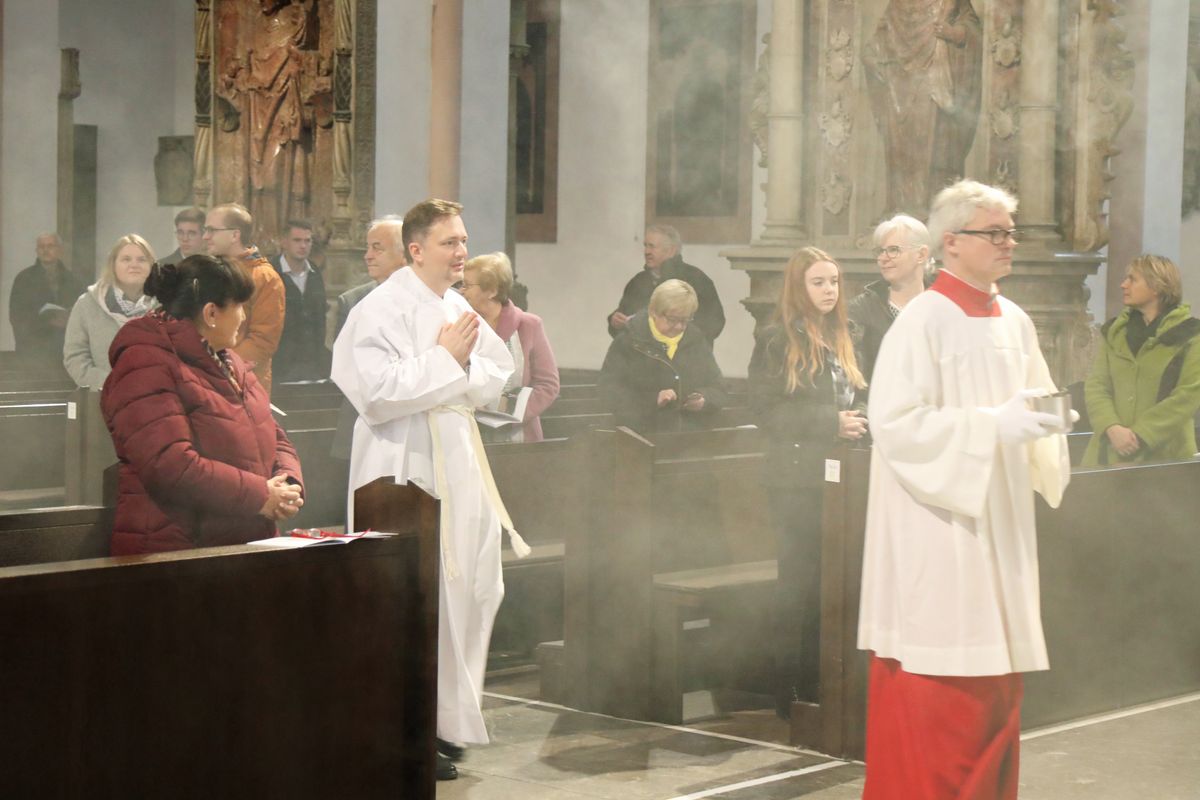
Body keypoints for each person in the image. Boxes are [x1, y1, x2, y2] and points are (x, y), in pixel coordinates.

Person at [857, 180, 1071, 799]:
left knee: (997, 676)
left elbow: (1034, 398)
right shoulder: (921, 321)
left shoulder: (1016, 319)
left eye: (1011, 232)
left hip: (998, 518)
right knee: (945, 684)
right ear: (952, 243)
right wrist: (991, 427)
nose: (1009, 243)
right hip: (938, 522)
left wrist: (1048, 424)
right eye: (995, 232)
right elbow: (895, 425)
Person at [331, 199, 522, 782]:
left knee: (474, 584)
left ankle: (448, 721)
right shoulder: (376, 309)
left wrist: (455, 370)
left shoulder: (458, 303)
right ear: (415, 250)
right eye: (449, 242)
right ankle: (406, 726)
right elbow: (374, 392)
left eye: (464, 240)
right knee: (418, 592)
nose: (462, 251)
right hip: (402, 465)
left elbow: (500, 371)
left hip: (459, 458)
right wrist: (445, 363)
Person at [101, 255, 304, 556]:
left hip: (239, 543)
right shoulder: (145, 361)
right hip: (176, 551)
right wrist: (261, 494)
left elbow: (272, 432)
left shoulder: (228, 359)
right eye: (239, 307)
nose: (244, 318)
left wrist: (287, 484)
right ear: (211, 313)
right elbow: (170, 464)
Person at [748, 246, 867, 712]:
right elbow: (763, 408)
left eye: (833, 282)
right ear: (799, 287)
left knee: (834, 581)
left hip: (842, 477)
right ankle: (789, 689)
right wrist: (829, 423)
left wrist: (861, 420)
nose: (828, 291)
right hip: (794, 479)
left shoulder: (846, 333)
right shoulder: (776, 337)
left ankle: (827, 681)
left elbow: (857, 394)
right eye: (818, 282)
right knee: (798, 583)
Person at [1083, 254, 1200, 466]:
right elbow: (1096, 385)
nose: (1123, 284)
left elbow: (1189, 395)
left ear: (1156, 287)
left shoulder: (1191, 335)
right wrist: (1112, 427)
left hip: (1167, 457)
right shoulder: (1115, 332)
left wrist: (1140, 435)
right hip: (1109, 453)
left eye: (1132, 279)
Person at [599, 279, 726, 436]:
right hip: (640, 439)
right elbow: (608, 393)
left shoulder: (696, 340)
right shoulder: (628, 342)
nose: (679, 327)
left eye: (685, 320)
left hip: (690, 439)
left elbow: (719, 388)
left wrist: (704, 399)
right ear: (654, 312)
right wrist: (653, 400)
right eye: (673, 319)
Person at [459, 251, 560, 442]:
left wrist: (508, 409)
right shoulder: (460, 325)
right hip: (469, 435)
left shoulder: (529, 325)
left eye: (467, 285)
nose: (461, 291)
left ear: (492, 291)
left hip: (519, 438)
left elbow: (549, 385)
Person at [329, 215, 407, 460]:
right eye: (367, 247)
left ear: (406, 254)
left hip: (409, 422)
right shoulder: (353, 302)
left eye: (377, 248)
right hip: (362, 421)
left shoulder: (430, 300)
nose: (367, 255)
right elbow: (347, 369)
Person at [204, 202, 285, 393]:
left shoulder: (265, 278)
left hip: (242, 384)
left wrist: (218, 367)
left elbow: (262, 342)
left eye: (211, 230)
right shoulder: (206, 270)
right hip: (203, 379)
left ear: (235, 235)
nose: (205, 236)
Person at [63, 234, 157, 389]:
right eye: (126, 259)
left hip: (155, 400)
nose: (134, 265)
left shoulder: (166, 306)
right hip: (104, 398)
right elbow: (75, 357)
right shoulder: (87, 305)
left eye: (142, 259)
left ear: (152, 266)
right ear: (113, 265)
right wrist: (112, 383)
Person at [849, 214, 932, 386]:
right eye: (880, 251)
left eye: (893, 250)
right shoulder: (859, 310)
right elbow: (853, 380)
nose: (883, 258)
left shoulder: (942, 308)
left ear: (921, 254)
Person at [607, 224, 725, 343]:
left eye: (652, 247)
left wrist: (675, 335)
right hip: (643, 358)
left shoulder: (696, 279)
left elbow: (714, 323)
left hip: (685, 358)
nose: (646, 251)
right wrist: (616, 323)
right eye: (645, 246)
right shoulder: (637, 282)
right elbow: (624, 318)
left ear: (671, 251)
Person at [8, 232, 85, 368]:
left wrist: (68, 320)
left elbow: (83, 315)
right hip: (33, 352)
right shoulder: (24, 279)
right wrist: (47, 321)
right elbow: (16, 316)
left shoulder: (73, 280)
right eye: (41, 247)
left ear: (60, 250)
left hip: (65, 351)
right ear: (37, 251)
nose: (45, 250)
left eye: (50, 246)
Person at [270, 219, 329, 382]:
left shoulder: (315, 272)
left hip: (312, 364)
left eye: (307, 241)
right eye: (297, 240)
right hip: (280, 365)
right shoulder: (270, 272)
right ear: (284, 242)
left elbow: (320, 318)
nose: (303, 246)